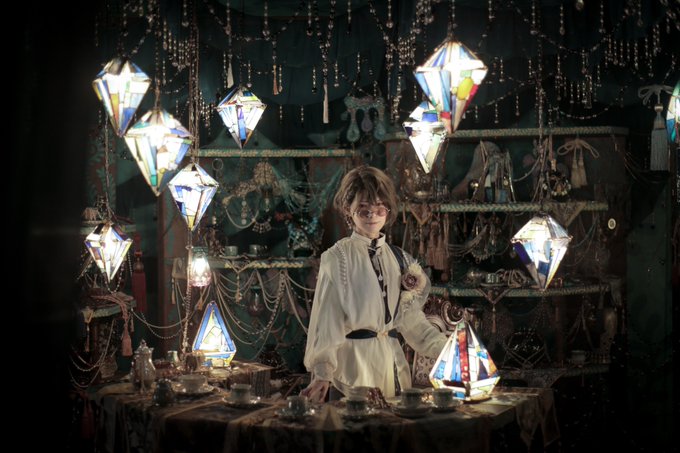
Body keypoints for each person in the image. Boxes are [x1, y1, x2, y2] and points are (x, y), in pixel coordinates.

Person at [301, 165, 448, 403]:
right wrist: (322, 374)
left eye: (380, 208)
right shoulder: (338, 258)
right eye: (364, 209)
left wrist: (449, 349)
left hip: (391, 367)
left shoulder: (399, 259)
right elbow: (327, 321)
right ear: (348, 209)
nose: (372, 215)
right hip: (351, 370)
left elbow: (412, 322)